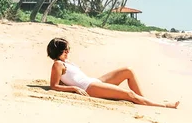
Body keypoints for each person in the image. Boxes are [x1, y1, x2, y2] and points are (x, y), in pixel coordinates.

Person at [47, 37, 179, 109]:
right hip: (89, 87)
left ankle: (143, 99)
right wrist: (74, 88)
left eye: (68, 49)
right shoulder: (57, 64)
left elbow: (65, 78)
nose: (68, 51)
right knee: (129, 94)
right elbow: (54, 86)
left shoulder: (66, 62)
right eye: (66, 50)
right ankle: (164, 105)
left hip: (93, 81)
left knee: (128, 70)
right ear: (59, 51)